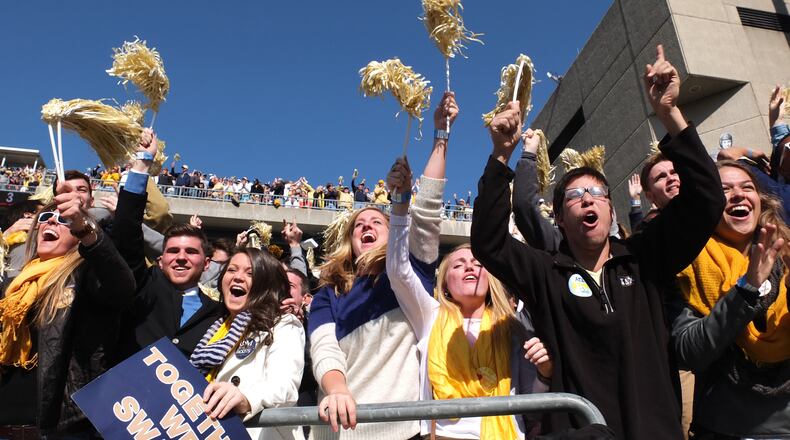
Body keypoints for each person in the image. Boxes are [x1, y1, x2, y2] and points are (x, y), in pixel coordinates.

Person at [470, 45, 725, 439]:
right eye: (574, 195)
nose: (587, 199)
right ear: (558, 217)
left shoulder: (644, 257)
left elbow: (707, 199)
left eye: (597, 193)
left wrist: (669, 114)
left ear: (610, 209)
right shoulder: (544, 271)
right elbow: (488, 243)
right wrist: (501, 156)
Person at [386, 92, 552, 439]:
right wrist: (400, 204)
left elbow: (534, 401)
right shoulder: (429, 315)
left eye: (477, 262)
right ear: (444, 284)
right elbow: (400, 270)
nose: (471, 267)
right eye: (458, 265)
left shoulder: (512, 323)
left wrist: (547, 370)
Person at [0, 183, 135, 438]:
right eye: (45, 217)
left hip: (58, 432)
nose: (52, 222)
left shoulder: (87, 279)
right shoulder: (15, 288)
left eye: (63, 219)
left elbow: (122, 286)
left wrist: (85, 227)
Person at [670, 160, 790, 438]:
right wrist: (746, 288)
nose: (738, 194)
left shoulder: (786, 254)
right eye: (725, 189)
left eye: (747, 187)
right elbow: (688, 351)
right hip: (727, 427)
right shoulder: (687, 268)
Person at [308, 198, 436, 439]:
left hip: (399, 430)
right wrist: (337, 390)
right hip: (338, 430)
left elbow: (428, 219)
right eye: (359, 225)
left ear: (393, 233)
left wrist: (402, 197)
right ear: (350, 241)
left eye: (377, 221)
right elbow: (324, 348)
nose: (367, 227)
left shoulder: (409, 278)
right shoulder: (328, 293)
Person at [113, 129, 224, 360]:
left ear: (206, 263)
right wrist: (143, 163)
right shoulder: (143, 284)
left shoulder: (219, 313)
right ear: (161, 260)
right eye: (173, 250)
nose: (180, 257)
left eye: (191, 252)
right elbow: (126, 231)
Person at [190, 248, 305, 440]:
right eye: (232, 270)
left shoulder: (283, 324)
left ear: (266, 285)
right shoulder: (215, 328)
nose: (238, 277)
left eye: (250, 273)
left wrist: (245, 398)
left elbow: (284, 387)